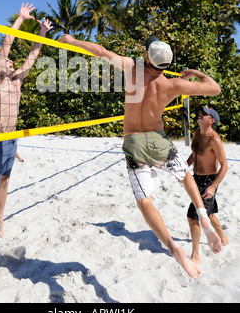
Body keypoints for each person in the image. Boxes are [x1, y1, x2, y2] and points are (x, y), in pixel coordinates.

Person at [59, 33, 222, 280]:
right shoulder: (172, 84)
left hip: (134, 141)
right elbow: (215, 88)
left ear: (148, 57)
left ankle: (172, 246)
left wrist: (72, 41)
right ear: (167, 64)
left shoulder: (132, 68)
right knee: (185, 174)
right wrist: (195, 73)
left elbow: (100, 51)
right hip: (158, 139)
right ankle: (202, 215)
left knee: (145, 200)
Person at [0, 3, 52, 256]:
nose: (9, 61)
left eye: (11, 62)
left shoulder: (17, 81)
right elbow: (7, 44)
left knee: (6, 182)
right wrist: (20, 19)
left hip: (12, 138)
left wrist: (41, 32)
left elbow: (33, 54)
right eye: (6, 60)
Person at [187, 106, 229, 264]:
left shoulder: (214, 139)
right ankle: (224, 238)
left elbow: (224, 166)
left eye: (204, 114)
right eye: (201, 112)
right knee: (209, 214)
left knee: (193, 217)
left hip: (209, 181)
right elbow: (195, 153)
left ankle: (196, 255)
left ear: (211, 120)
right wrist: (184, 168)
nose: (200, 114)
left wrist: (212, 187)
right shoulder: (197, 133)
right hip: (195, 178)